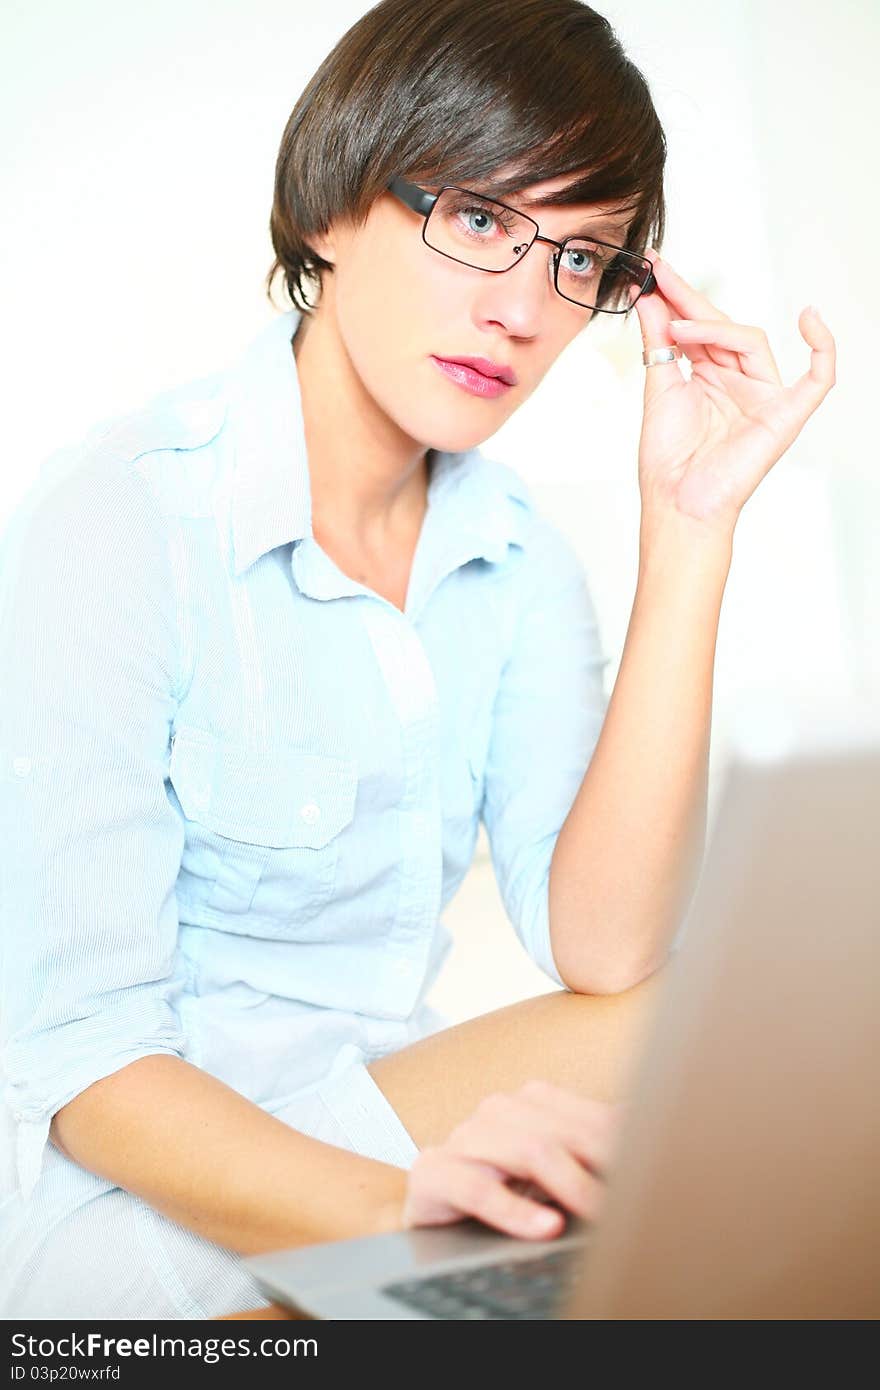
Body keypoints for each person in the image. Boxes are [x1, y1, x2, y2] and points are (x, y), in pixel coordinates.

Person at [0, 0, 835, 1320]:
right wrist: (403, 1216)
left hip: (382, 1132)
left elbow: (607, 953)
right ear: (331, 205)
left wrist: (688, 529)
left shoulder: (514, 562)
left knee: (746, 1035)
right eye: (482, 220)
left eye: (579, 259)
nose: (519, 310)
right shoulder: (122, 513)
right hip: (137, 1207)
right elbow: (88, 1063)